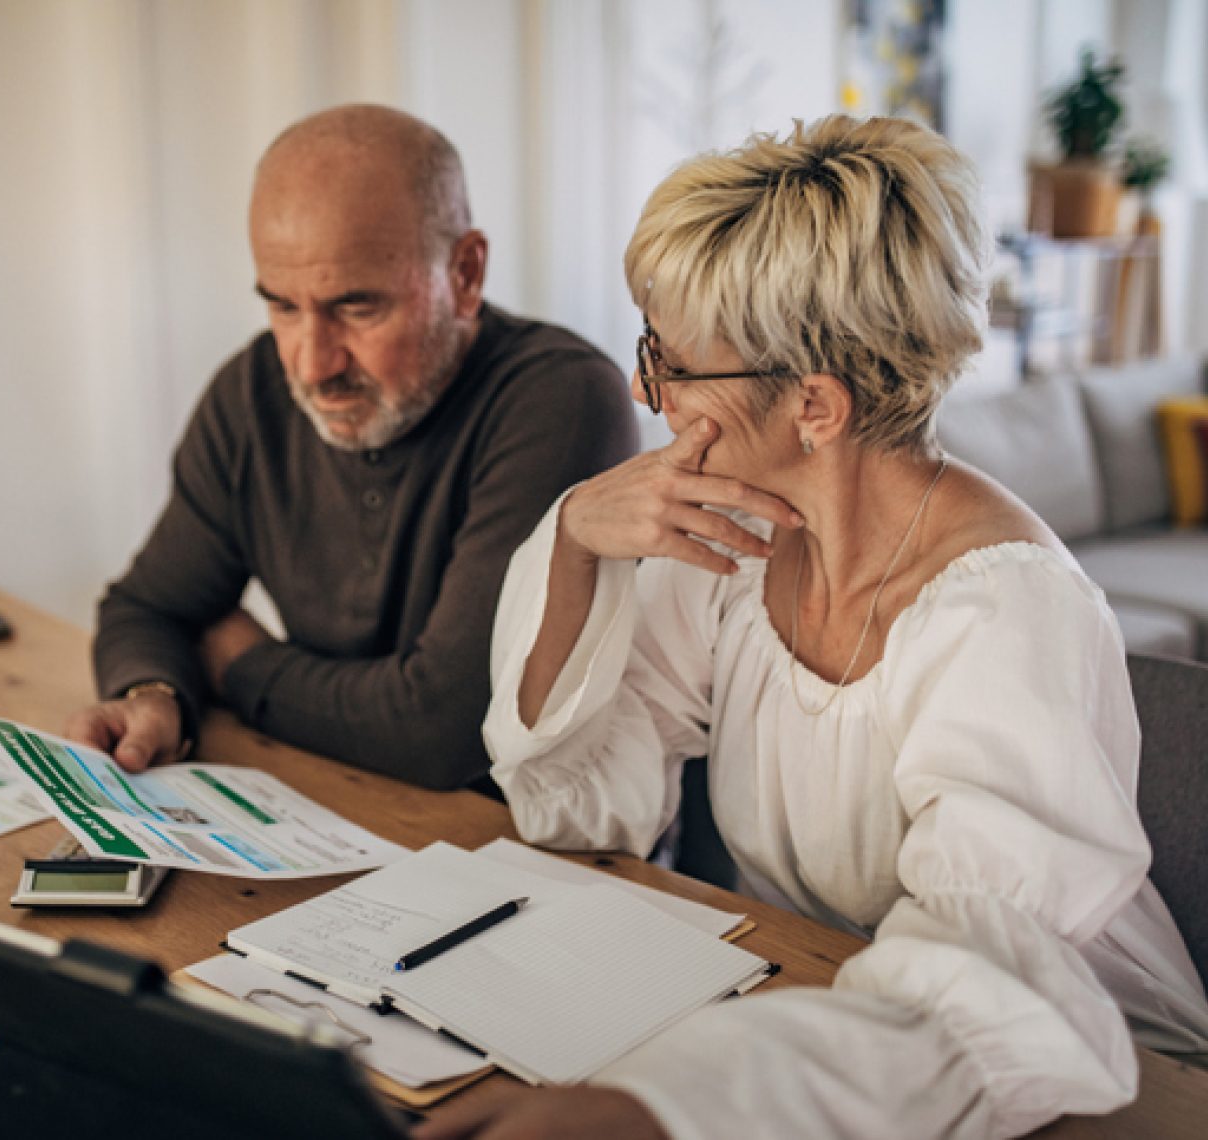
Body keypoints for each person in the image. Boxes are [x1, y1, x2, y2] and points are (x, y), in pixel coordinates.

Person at [430, 116, 1208, 1138]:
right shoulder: (735, 544)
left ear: (814, 406)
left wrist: (661, 1108)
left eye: (668, 362)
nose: (640, 389)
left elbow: (974, 988)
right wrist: (573, 540)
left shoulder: (1006, 615)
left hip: (1063, 1072)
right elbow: (577, 812)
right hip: (820, 1026)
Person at [66, 105, 637, 790]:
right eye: (282, 305)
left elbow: (447, 731)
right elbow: (148, 606)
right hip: (338, 811)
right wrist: (154, 693)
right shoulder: (252, 392)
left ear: (465, 273)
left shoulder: (562, 401)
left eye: (356, 308)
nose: (311, 365)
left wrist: (236, 664)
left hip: (534, 851)